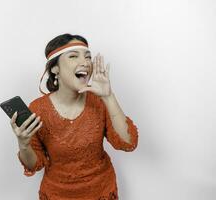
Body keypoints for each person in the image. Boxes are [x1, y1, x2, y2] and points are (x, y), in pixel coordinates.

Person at [9, 33, 139, 200]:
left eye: (88, 57)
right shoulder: (38, 109)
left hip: (101, 192)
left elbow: (128, 143)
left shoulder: (99, 101)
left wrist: (108, 96)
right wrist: (24, 144)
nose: (85, 62)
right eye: (73, 56)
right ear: (55, 68)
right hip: (57, 194)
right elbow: (34, 164)